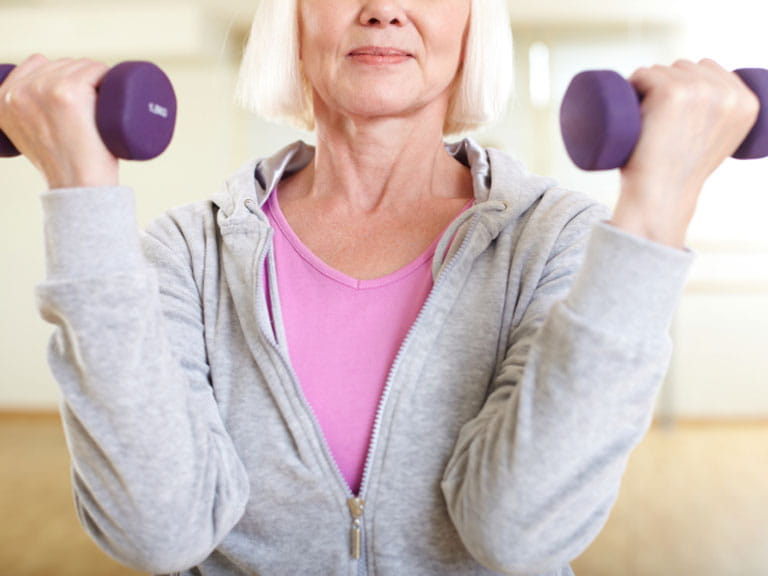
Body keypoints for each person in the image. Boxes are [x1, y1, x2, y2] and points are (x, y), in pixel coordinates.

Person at [0, 1, 759, 575]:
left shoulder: (552, 238)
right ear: (290, 22)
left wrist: (657, 206)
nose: (383, 7)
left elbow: (519, 530)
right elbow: (157, 531)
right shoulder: (188, 252)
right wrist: (82, 195)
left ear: (472, 23)